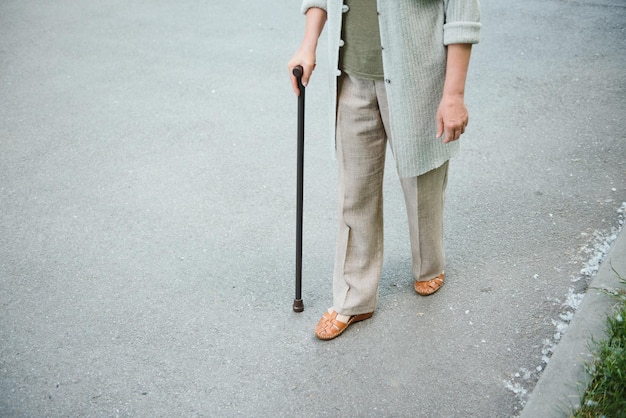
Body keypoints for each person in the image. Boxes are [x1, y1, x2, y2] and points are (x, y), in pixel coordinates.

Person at [288, 0, 481, 340]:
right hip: (350, 77)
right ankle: (354, 296)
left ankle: (429, 264)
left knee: (423, 177)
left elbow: (461, 12)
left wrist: (454, 94)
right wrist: (308, 45)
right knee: (355, 189)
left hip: (417, 79)